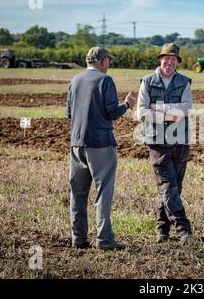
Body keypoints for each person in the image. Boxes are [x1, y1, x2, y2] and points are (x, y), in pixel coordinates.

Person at [66, 46, 136, 250]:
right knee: (103, 192)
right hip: (100, 144)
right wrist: (127, 105)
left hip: (77, 143)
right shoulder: (105, 80)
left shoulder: (75, 79)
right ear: (103, 61)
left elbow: (69, 112)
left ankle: (78, 238)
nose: (110, 65)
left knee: (77, 193)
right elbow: (112, 112)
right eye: (109, 61)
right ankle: (104, 240)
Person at [137, 43, 193, 244]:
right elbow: (141, 112)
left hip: (180, 140)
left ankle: (162, 230)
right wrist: (169, 116)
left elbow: (186, 108)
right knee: (168, 186)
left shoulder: (185, 82)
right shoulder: (147, 82)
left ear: (177, 62)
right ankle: (183, 229)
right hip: (157, 141)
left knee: (174, 187)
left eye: (173, 59)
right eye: (166, 58)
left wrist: (159, 108)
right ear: (160, 59)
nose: (169, 62)